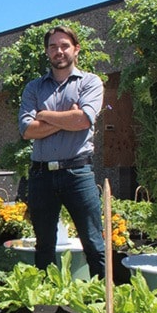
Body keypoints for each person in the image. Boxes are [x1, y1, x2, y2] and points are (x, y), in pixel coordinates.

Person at [17, 25, 105, 278]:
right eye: (53, 46)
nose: (59, 51)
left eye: (64, 45)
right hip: (41, 176)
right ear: (47, 52)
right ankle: (45, 299)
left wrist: (43, 116)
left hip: (77, 172)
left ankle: (104, 302)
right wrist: (67, 117)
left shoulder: (90, 82)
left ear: (76, 49)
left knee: (93, 242)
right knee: (44, 245)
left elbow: (83, 121)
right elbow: (27, 131)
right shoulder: (34, 88)